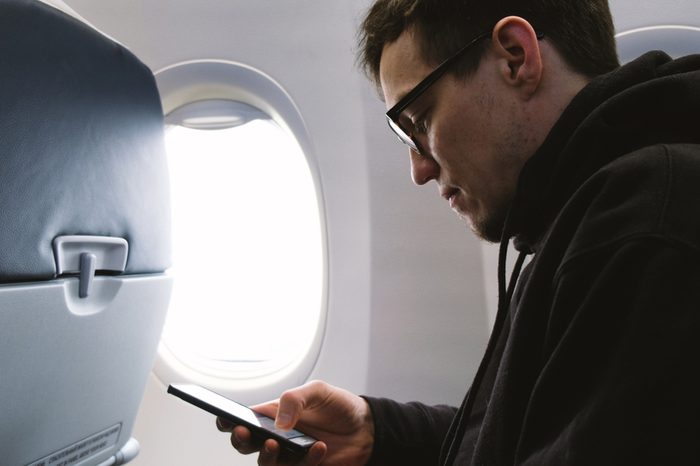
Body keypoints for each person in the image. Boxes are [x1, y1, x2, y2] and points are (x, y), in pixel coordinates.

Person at [218, 0, 700, 464]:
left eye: (421, 120)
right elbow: (531, 435)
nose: (420, 170)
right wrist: (379, 433)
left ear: (515, 57)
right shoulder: (580, 218)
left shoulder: (642, 228)